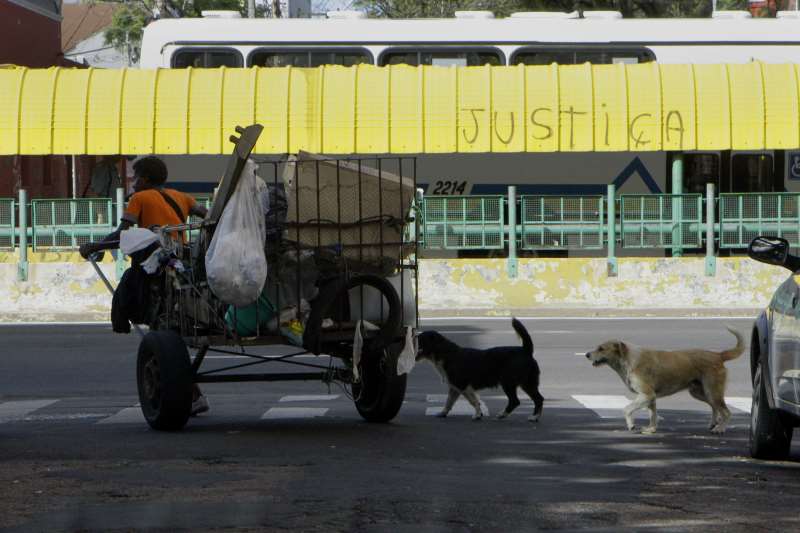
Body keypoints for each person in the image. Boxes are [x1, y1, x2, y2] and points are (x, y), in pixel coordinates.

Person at [80, 156, 211, 416]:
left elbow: (123, 234)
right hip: (181, 268)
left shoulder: (139, 199)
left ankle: (192, 394)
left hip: (155, 272)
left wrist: (94, 246)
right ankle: (193, 393)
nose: (134, 182)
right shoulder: (182, 196)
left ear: (146, 179)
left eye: (137, 176)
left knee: (155, 322)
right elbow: (207, 217)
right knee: (171, 328)